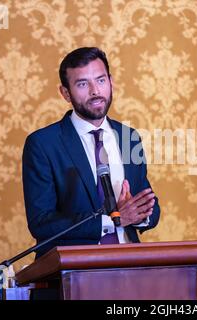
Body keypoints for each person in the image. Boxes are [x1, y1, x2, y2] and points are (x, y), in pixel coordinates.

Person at [22, 47, 160, 258]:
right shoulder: (43, 144)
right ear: (65, 93)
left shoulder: (129, 137)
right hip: (70, 274)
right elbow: (41, 223)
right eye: (83, 84)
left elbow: (151, 205)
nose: (95, 91)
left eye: (101, 80)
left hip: (129, 267)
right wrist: (114, 219)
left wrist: (138, 214)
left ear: (111, 82)